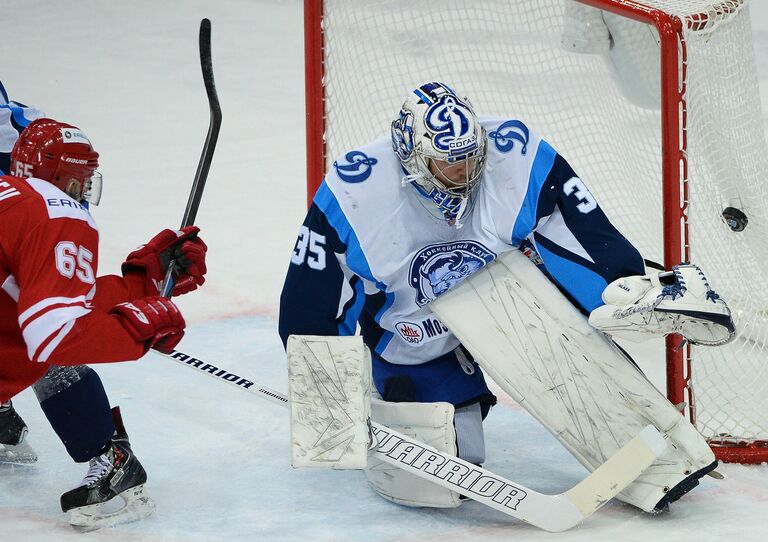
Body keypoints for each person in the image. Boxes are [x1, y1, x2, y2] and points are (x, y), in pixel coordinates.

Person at [279, 82, 732, 511]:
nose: (465, 173)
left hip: (512, 302)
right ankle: (424, 400)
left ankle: (661, 463)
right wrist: (328, 403)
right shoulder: (354, 193)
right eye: (448, 163)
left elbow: (580, 235)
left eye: (472, 158)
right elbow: (311, 298)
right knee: (445, 474)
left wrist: (622, 288)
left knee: (580, 363)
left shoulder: (516, 152)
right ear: (413, 158)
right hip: (414, 333)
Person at [0, 104, 208, 528]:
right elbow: (53, 333)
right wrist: (138, 331)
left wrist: (140, 283)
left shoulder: (12, 198)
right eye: (80, 180)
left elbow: (37, 297)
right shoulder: (55, 210)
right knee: (50, 341)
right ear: (62, 178)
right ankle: (107, 456)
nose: (83, 190)